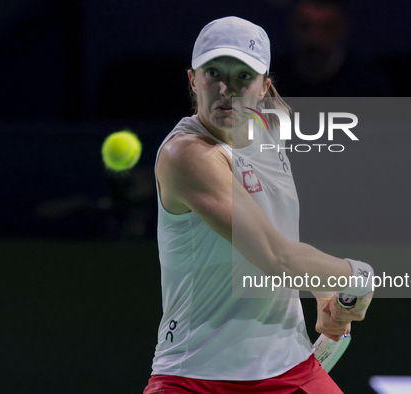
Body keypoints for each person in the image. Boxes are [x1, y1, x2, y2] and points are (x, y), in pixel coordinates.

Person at [144, 16, 373, 394]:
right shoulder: (186, 154)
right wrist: (356, 275)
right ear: (192, 80)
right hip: (196, 377)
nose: (225, 89)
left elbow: (279, 231)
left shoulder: (268, 130)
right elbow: (276, 256)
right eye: (213, 72)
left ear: (264, 86)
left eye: (242, 77)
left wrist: (323, 293)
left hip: (291, 368)